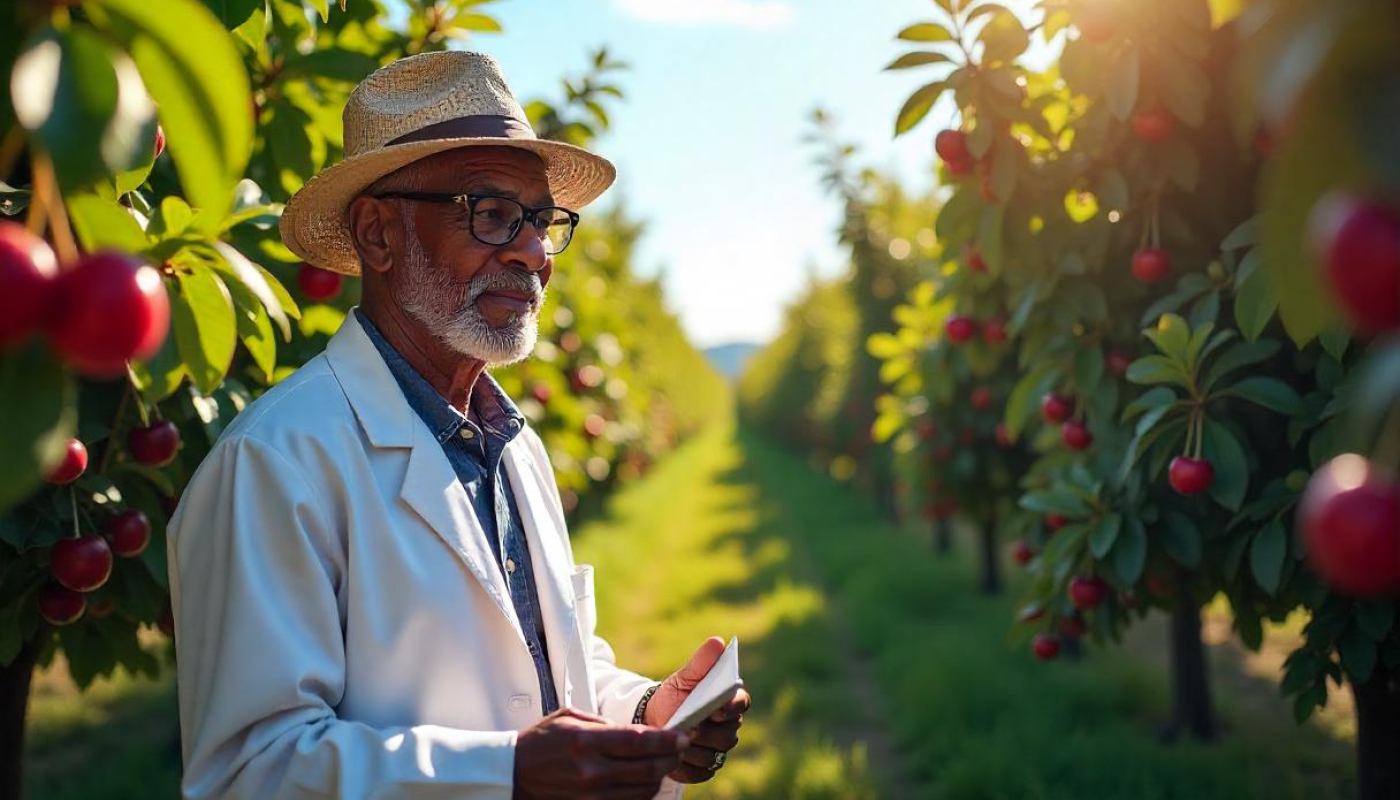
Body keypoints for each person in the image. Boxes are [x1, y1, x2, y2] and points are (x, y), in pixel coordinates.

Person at [166, 50, 749, 800]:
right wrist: (503, 772)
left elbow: (544, 668)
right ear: (377, 233)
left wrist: (643, 715)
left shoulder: (517, 446)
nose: (534, 253)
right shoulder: (276, 464)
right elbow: (248, 772)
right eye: (492, 213)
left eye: (542, 221)